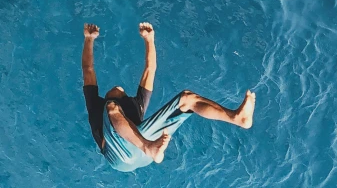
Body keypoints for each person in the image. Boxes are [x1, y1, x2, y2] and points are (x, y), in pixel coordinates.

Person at [81, 22, 255, 173]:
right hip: (121, 156)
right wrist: (149, 40)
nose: (116, 88)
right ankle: (148, 146)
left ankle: (236, 117)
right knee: (112, 109)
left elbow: (149, 69)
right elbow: (148, 69)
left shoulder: (108, 104)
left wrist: (149, 40)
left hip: (144, 151)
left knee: (187, 99)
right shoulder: (130, 104)